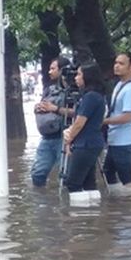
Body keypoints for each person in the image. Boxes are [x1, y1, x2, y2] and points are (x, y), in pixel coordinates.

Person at [61, 63, 107, 206]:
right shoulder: (94, 96)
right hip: (91, 143)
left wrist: (69, 138)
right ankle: (92, 214)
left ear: (88, 77)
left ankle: (79, 218)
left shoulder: (90, 97)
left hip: (86, 144)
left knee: (73, 183)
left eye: (79, 74)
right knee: (88, 182)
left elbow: (80, 122)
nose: (76, 78)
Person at [101, 51, 131, 197]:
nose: (116, 66)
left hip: (125, 139)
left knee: (126, 178)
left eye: (121, 63)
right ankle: (117, 204)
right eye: (116, 63)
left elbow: (128, 116)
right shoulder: (119, 84)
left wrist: (103, 121)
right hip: (116, 138)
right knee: (108, 172)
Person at [31, 57, 73, 187]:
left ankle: (66, 202)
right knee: (37, 173)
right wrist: (38, 108)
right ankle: (42, 200)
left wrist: (55, 109)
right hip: (47, 137)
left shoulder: (72, 91)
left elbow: (80, 112)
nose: (49, 72)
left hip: (64, 137)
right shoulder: (49, 89)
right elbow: (44, 105)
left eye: (53, 68)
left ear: (62, 70)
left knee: (66, 174)